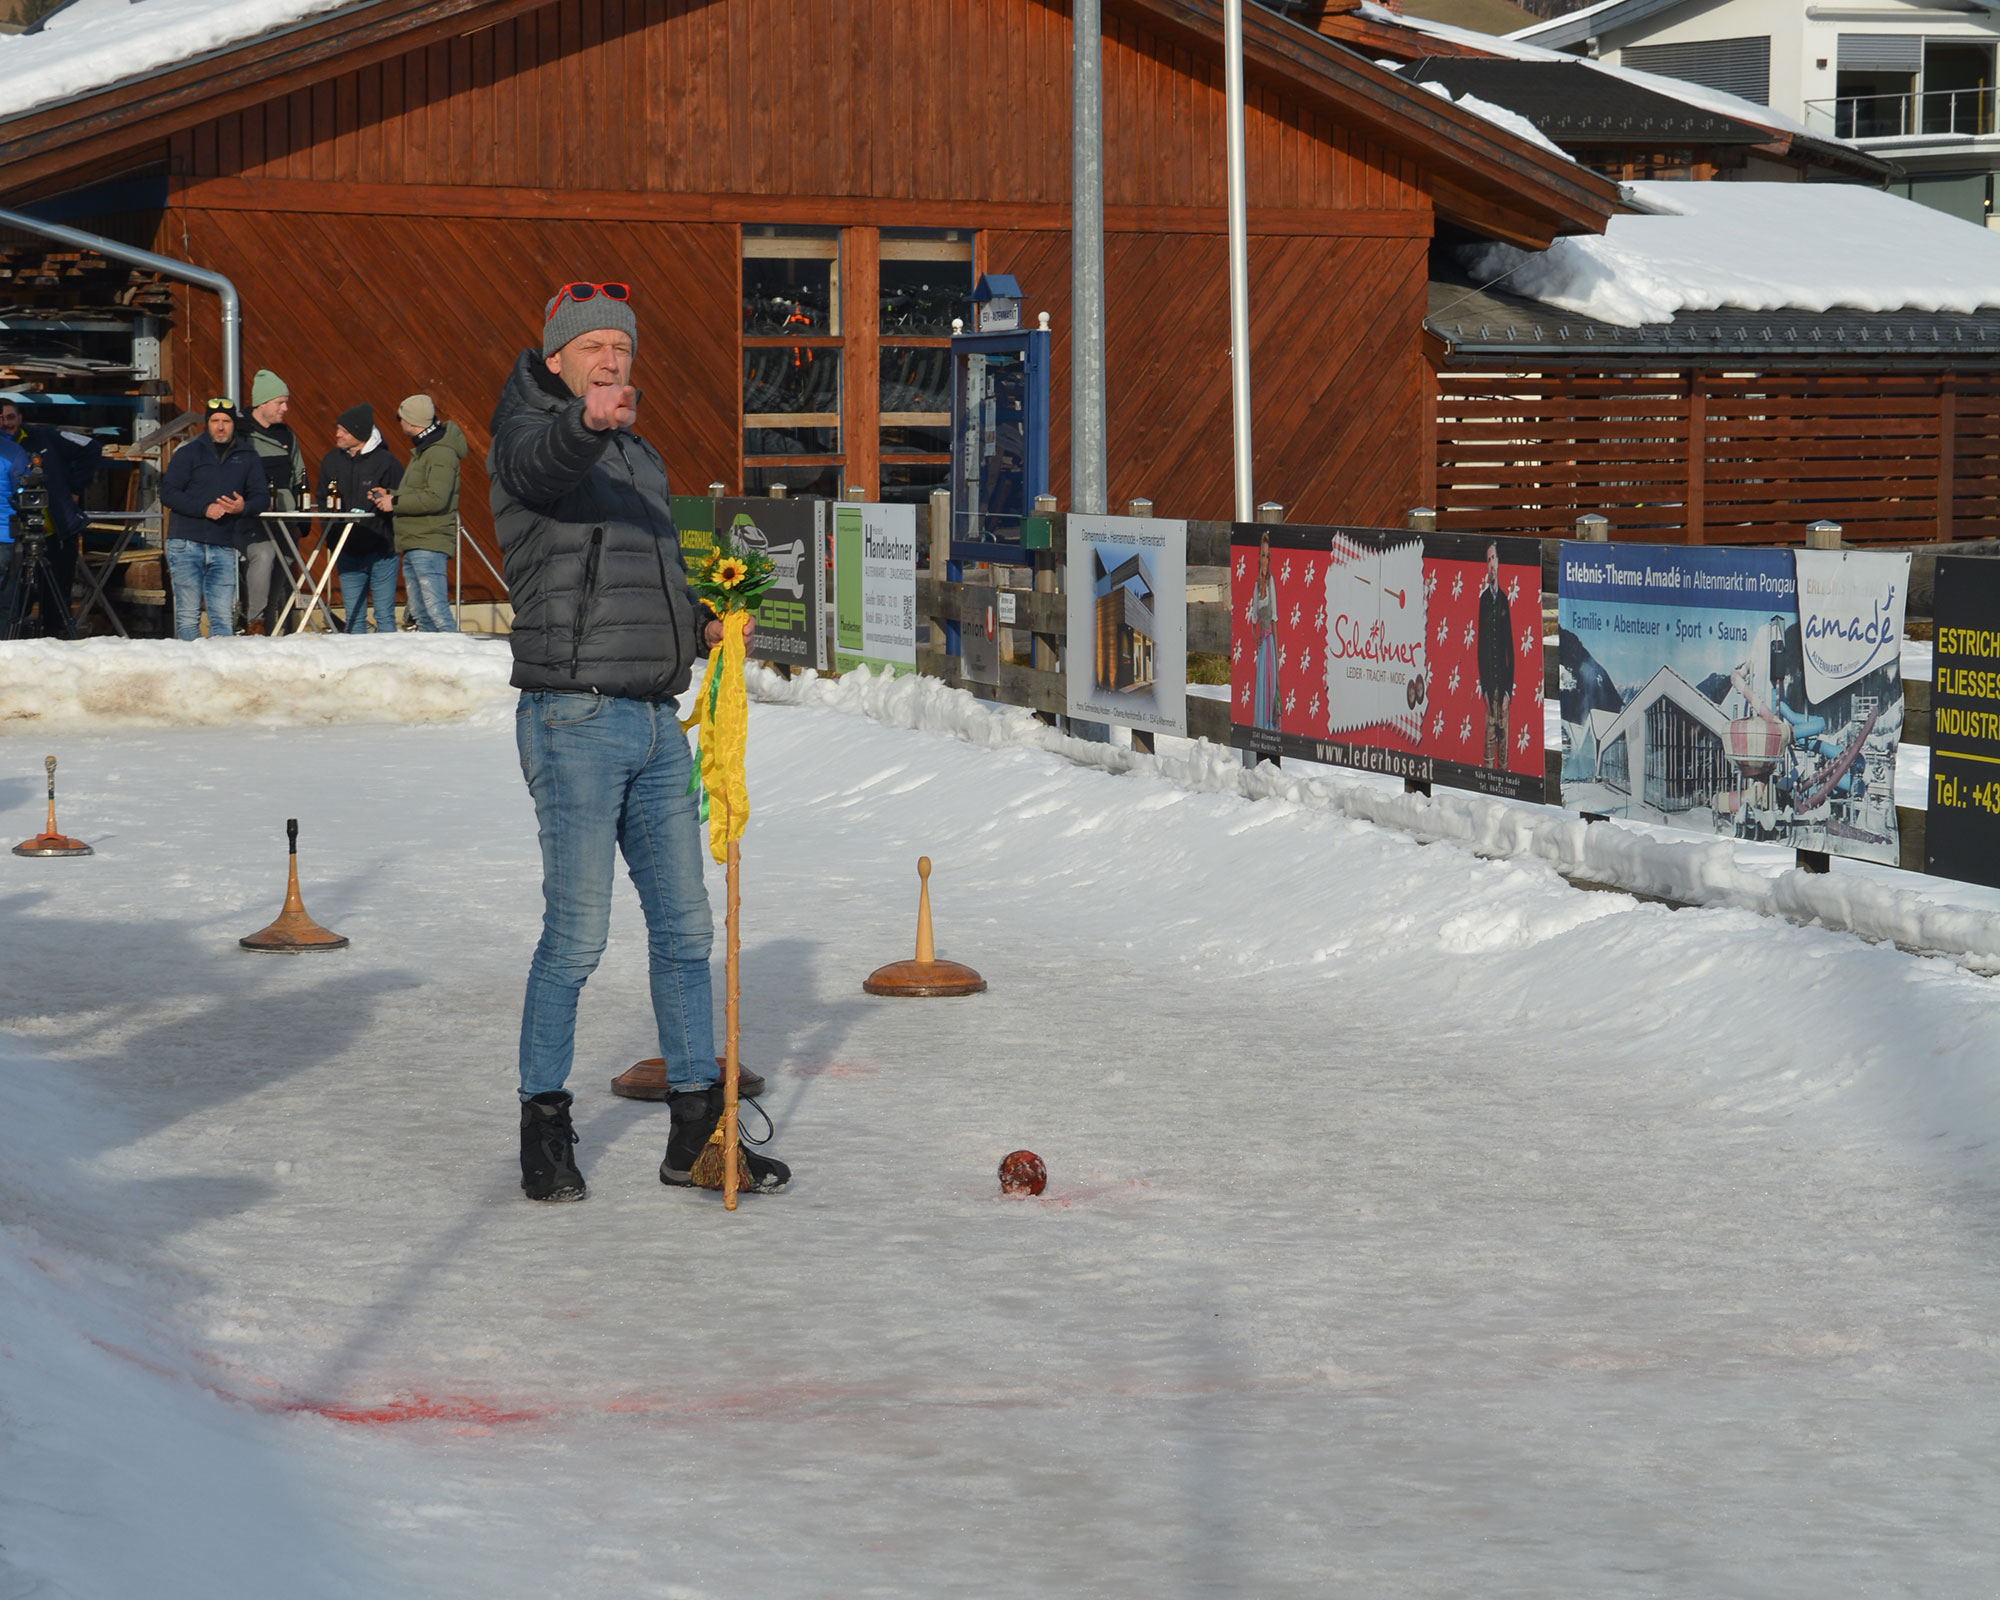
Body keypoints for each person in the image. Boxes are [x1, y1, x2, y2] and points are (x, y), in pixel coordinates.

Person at [489, 280, 790, 1203]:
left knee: (687, 931)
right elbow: (543, 467)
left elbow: (649, 581)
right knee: (577, 937)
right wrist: (586, 423)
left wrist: (704, 625)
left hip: (658, 722)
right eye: (593, 348)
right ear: (557, 359)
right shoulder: (530, 436)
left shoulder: (640, 456)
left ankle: (697, 1132)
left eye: (621, 348)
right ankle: (545, 1125)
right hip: (573, 719)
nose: (612, 360)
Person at [158, 399, 269, 639]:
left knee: (222, 619)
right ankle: (191, 663)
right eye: (215, 420)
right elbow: (168, 493)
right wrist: (204, 508)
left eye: (226, 421)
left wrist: (243, 507)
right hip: (186, 543)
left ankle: (221, 663)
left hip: (224, 544)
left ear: (234, 424)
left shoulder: (247, 455)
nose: (220, 427)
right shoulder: (188, 452)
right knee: (188, 617)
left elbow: (262, 497)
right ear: (207, 423)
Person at [1, 399, 101, 622]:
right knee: (17, 602)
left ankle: (56, 637)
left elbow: (91, 447)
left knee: (56, 602)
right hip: (15, 537)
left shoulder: (44, 437)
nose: (6, 423)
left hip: (55, 533)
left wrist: (75, 488)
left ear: (20, 418)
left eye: (10, 417)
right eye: (1, 419)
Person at [368, 394, 462, 632]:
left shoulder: (440, 452)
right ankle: (435, 656)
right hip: (414, 541)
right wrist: (390, 494)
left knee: (436, 611)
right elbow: (421, 491)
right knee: (422, 615)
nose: (399, 422)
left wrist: (395, 502)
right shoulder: (425, 450)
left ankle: (457, 653)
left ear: (412, 421)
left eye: (401, 417)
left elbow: (436, 498)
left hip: (428, 541)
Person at [317, 403, 403, 633]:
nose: (338, 434)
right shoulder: (331, 461)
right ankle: (356, 657)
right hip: (346, 550)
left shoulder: (386, 462)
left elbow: (401, 498)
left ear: (360, 433)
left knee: (384, 615)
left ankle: (390, 656)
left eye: (344, 431)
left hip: (381, 551)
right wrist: (331, 536)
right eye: (338, 429)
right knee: (354, 618)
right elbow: (322, 499)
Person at [242, 369, 306, 635]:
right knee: (265, 555)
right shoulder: (242, 433)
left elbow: (299, 475)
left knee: (285, 559)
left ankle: (269, 625)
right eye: (280, 402)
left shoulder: (286, 435)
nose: (285, 408)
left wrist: (302, 520)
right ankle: (254, 623)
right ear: (263, 403)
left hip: (285, 517)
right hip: (252, 519)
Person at [1475, 541, 1515, 769]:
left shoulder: (1504, 600)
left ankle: (1504, 780)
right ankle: (1488, 783)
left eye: (1493, 559)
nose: (1491, 564)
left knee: (1504, 741)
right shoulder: (1483, 600)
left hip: (1503, 682)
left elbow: (1511, 649)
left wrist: (1508, 691)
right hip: (1489, 686)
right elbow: (1481, 648)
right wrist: (1484, 688)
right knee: (1489, 739)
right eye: (1488, 560)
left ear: (1498, 562)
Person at [1250, 530, 1279, 731]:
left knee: (1270, 684)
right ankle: (1261, 726)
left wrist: (1276, 651)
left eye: (1268, 556)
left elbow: (1274, 618)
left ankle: (1270, 725)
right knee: (1261, 684)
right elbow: (1253, 617)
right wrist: (1255, 637)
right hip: (1262, 645)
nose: (1265, 560)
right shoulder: (1256, 586)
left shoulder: (1271, 583)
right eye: (1263, 555)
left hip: (1270, 644)